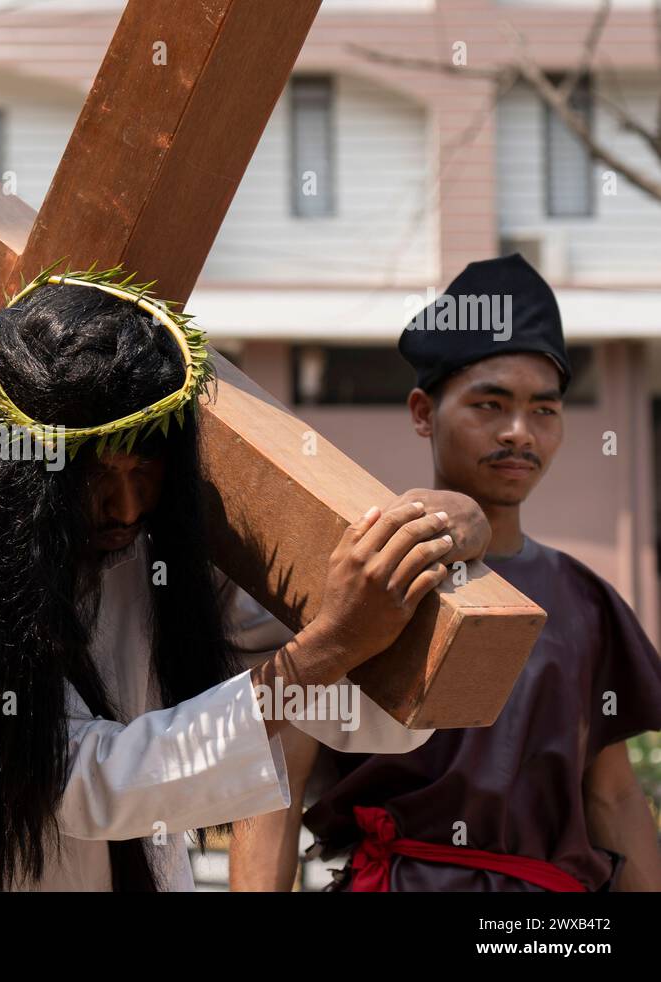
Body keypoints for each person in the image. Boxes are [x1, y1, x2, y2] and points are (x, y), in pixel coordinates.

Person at [0, 266, 492, 891]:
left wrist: (430, 555)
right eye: (93, 481)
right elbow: (76, 782)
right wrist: (327, 649)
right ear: (19, 474)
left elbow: (353, 714)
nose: (125, 507)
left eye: (145, 471)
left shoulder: (172, 541)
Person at [229, 254, 661, 892]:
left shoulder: (585, 599)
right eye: (490, 404)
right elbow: (277, 779)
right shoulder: (369, 576)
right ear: (423, 412)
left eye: (544, 410)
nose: (520, 432)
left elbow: (613, 798)